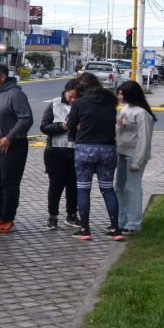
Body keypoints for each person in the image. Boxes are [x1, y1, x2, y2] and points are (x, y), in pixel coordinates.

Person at [65, 72, 123, 241]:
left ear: (81, 88)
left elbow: (70, 125)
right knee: (107, 188)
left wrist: (74, 134)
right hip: (107, 149)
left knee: (83, 189)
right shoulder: (110, 101)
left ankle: (85, 230)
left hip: (85, 149)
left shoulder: (80, 103)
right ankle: (115, 228)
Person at [0, 62, 33, 234]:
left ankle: (8, 218)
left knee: (8, 183)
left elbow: (26, 119)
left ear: (3, 77)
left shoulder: (15, 95)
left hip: (12, 146)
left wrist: (9, 138)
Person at [115, 80, 156, 234]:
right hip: (122, 153)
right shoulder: (125, 109)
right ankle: (121, 221)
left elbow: (144, 138)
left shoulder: (142, 113)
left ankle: (133, 223)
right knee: (119, 188)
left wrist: (137, 162)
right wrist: (119, 125)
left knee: (132, 189)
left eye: (121, 93)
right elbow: (119, 132)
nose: (119, 96)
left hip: (134, 156)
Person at [40, 79, 80, 230]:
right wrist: (62, 126)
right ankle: (53, 216)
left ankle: (72, 214)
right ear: (65, 92)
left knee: (73, 185)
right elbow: (44, 126)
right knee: (56, 185)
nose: (73, 100)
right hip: (56, 151)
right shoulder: (55, 104)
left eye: (77, 97)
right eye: (71, 96)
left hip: (76, 150)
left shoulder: (81, 105)